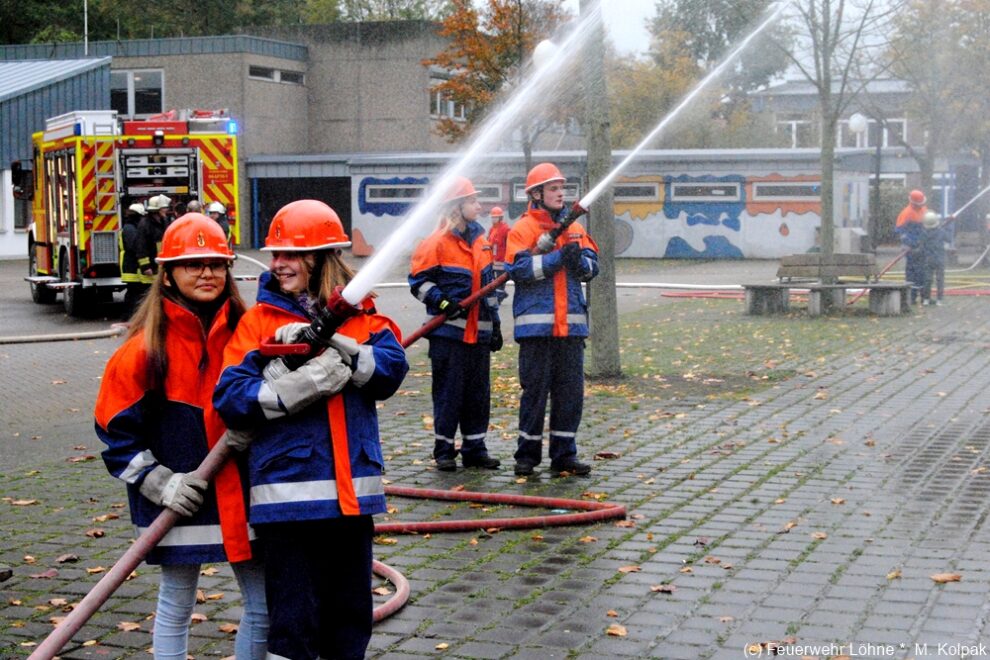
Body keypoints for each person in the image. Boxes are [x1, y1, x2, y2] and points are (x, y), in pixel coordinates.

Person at [214, 199, 408, 660]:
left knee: (350, 617)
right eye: (275, 255)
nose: (277, 264)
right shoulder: (258, 324)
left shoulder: (364, 319)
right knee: (293, 623)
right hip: (288, 506)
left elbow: (391, 371)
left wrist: (347, 351)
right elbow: (228, 397)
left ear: (322, 259)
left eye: (290, 255)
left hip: (351, 502)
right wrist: (283, 385)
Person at [95, 213, 268, 660]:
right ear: (167, 274)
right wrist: (161, 483)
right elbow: (116, 438)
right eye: (193, 263)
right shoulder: (142, 351)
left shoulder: (249, 335)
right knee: (176, 603)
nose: (207, 273)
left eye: (215, 263)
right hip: (178, 502)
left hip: (244, 494)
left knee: (263, 606)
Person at [505, 162, 599, 477]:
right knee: (535, 393)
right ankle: (527, 457)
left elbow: (592, 266)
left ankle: (564, 455)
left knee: (570, 394)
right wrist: (557, 259)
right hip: (537, 329)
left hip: (571, 328)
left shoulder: (575, 227)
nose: (561, 193)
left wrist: (580, 263)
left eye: (562, 188)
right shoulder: (523, 229)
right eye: (553, 188)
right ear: (536, 194)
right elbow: (517, 271)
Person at [409, 176, 503, 472]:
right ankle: (444, 450)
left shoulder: (482, 241)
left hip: (479, 336)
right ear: (456, 206)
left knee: (478, 395)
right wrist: (443, 302)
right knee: (449, 394)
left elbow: (490, 287)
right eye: (472, 200)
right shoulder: (435, 243)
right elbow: (418, 282)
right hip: (448, 336)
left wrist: (496, 325)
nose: (479, 205)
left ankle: (475, 448)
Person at [896, 189, 927, 304]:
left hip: (922, 246)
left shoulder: (924, 210)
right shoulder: (906, 213)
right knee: (912, 271)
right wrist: (910, 243)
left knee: (922, 271)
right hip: (910, 248)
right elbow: (900, 231)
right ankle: (911, 296)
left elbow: (927, 225)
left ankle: (924, 295)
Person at [120, 202, 148, 317]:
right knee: (133, 293)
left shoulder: (130, 226)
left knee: (135, 292)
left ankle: (131, 315)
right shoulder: (129, 228)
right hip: (131, 265)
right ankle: (128, 316)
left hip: (132, 264)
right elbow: (134, 245)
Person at [137, 194, 172, 280]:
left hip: (162, 264)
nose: (166, 210)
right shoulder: (145, 224)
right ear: (156, 210)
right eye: (163, 208)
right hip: (151, 267)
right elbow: (141, 246)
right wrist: (145, 266)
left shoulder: (165, 221)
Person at [920, 210, 948, 306]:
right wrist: (946, 228)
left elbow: (921, 246)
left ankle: (926, 299)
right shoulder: (941, 231)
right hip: (939, 258)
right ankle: (939, 299)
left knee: (927, 279)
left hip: (928, 259)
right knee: (940, 279)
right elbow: (948, 238)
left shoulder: (924, 233)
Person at [487, 205, 510, 302]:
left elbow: (510, 245)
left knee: (500, 283)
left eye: (495, 217)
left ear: (500, 217)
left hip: (502, 261)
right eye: (492, 217)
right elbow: (489, 242)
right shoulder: (492, 229)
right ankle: (500, 296)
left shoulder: (506, 229)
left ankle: (499, 298)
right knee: (492, 282)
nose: (493, 219)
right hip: (493, 261)